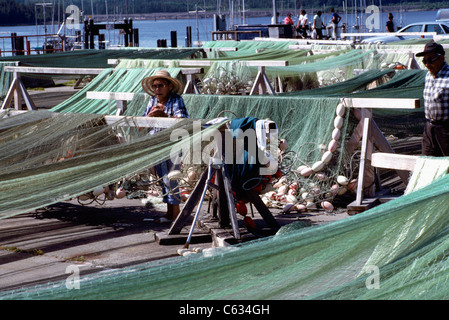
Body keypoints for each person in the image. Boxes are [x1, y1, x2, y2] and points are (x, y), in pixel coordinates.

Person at [141, 69, 188, 222]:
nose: (157, 89)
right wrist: (150, 116)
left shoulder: (176, 100)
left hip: (172, 144)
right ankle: (169, 213)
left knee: (172, 178)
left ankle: (175, 214)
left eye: (160, 85)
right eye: (154, 86)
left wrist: (165, 116)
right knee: (162, 177)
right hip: (157, 144)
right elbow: (141, 125)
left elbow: (183, 121)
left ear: (169, 86)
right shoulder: (152, 101)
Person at [416, 42, 449, 156]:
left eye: (430, 60)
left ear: (441, 58)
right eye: (424, 61)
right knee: (427, 161)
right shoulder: (428, 76)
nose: (427, 64)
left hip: (446, 129)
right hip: (429, 128)